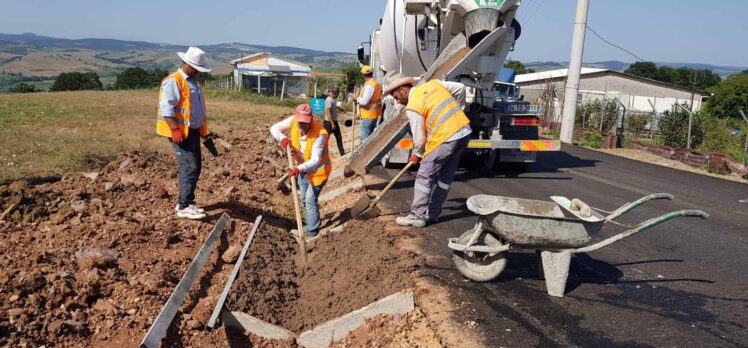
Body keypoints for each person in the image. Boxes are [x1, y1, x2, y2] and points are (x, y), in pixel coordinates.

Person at [384, 74, 473, 228]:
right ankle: (433, 213)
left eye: (396, 96)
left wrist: (417, 155)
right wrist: (459, 110)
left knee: (425, 175)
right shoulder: (434, 84)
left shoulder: (413, 107)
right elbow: (460, 88)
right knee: (446, 176)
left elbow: (419, 139)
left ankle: (417, 216)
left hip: (446, 136)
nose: (397, 100)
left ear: (403, 90)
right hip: (463, 130)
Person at [156, 46, 212, 220]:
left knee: (196, 167)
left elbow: (194, 109)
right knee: (189, 167)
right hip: (180, 134)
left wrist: (202, 131)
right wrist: (174, 130)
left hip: (192, 132)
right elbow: (167, 108)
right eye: (197, 69)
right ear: (189, 65)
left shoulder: (193, 82)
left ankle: (189, 202)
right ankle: (183, 206)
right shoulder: (174, 81)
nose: (198, 72)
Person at [270, 104, 332, 239]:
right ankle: (311, 222)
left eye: (305, 123)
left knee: (310, 199)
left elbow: (315, 160)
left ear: (311, 119)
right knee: (304, 198)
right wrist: (283, 138)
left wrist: (298, 169)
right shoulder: (293, 121)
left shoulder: (320, 134)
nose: (302, 126)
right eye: (300, 122)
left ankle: (312, 231)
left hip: (318, 172)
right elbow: (274, 128)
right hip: (302, 169)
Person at [356, 65, 383, 141]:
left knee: (366, 140)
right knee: (370, 140)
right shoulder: (376, 84)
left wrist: (357, 99)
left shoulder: (369, 86)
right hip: (374, 115)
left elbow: (365, 101)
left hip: (367, 116)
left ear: (363, 75)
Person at [324, 86, 345, 155]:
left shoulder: (332, 100)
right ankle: (322, 153)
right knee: (325, 139)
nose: (338, 95)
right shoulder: (329, 100)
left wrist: (340, 108)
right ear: (335, 93)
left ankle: (342, 153)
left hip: (333, 121)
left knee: (339, 137)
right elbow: (328, 112)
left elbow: (334, 106)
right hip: (329, 123)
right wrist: (332, 123)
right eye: (338, 94)